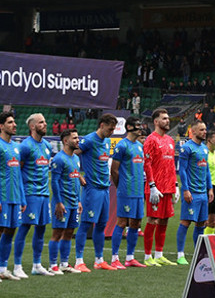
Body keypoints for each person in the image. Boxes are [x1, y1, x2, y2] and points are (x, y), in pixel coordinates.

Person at [73, 113, 118, 272]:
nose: (111, 132)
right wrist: (77, 174)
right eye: (110, 129)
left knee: (101, 225)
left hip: (105, 189)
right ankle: (79, 261)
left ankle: (99, 260)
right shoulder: (89, 140)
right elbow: (70, 153)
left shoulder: (107, 142)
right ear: (101, 125)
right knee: (85, 224)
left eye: (113, 129)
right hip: (91, 189)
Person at [0, 112, 26, 282]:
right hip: (2, 197)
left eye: (14, 122)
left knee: (11, 231)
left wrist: (22, 198)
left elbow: (18, 175)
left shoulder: (16, 147)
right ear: (1, 126)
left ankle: (2, 268)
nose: (14, 125)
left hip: (16, 198)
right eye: (10, 122)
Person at [13, 114, 54, 277]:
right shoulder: (25, 146)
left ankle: (36, 264)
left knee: (42, 229)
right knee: (24, 228)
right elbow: (18, 170)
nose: (45, 124)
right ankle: (17, 266)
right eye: (41, 122)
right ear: (32, 126)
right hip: (30, 193)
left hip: (44, 194)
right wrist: (21, 195)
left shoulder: (47, 146)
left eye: (45, 121)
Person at [142, 109, 179, 266]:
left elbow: (171, 165)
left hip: (168, 188)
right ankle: (147, 256)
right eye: (164, 118)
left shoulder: (170, 140)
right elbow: (147, 164)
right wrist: (152, 186)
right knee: (153, 220)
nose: (167, 121)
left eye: (168, 118)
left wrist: (175, 185)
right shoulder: (150, 140)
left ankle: (159, 254)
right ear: (156, 122)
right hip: (155, 188)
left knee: (164, 221)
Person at [110, 117, 147, 269]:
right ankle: (114, 258)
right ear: (129, 127)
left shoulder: (139, 146)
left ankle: (130, 257)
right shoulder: (122, 145)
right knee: (122, 222)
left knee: (136, 223)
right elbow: (114, 170)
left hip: (139, 191)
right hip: (126, 190)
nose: (140, 128)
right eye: (138, 125)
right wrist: (121, 187)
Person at [175, 120, 213, 265]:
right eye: (202, 130)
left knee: (201, 224)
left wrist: (209, 188)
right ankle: (180, 254)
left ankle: (199, 253)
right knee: (186, 222)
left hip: (203, 193)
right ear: (194, 131)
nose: (204, 132)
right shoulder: (187, 148)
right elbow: (182, 170)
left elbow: (207, 170)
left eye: (205, 129)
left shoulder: (204, 148)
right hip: (192, 192)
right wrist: (185, 190)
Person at [48, 128, 83, 274]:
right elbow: (54, 182)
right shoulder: (59, 159)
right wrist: (58, 202)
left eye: (77, 137)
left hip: (74, 202)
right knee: (57, 233)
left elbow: (76, 180)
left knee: (69, 232)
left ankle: (64, 263)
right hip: (63, 203)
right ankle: (52, 265)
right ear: (65, 141)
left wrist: (79, 201)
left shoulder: (76, 158)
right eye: (74, 138)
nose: (77, 140)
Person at [203, 131, 215, 235]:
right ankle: (200, 242)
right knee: (204, 220)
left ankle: (208, 242)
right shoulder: (203, 153)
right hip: (205, 188)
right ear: (209, 140)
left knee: (213, 221)